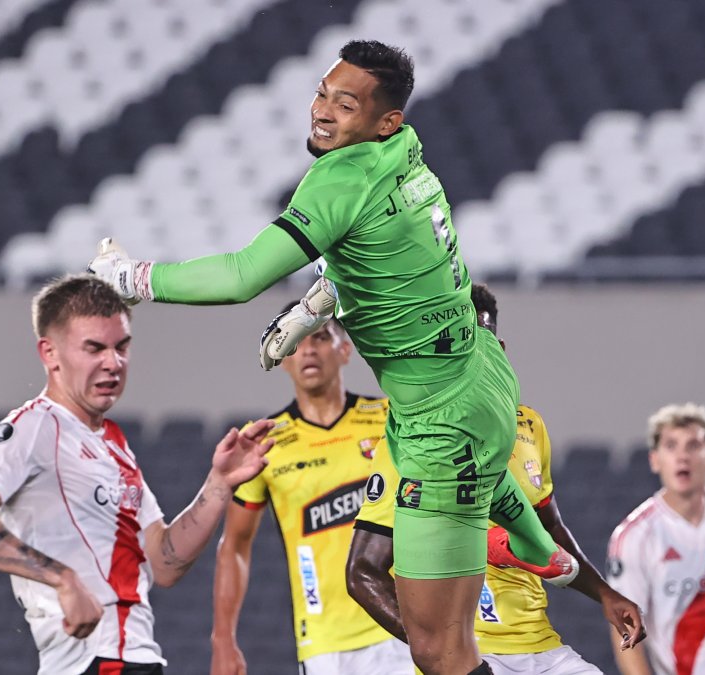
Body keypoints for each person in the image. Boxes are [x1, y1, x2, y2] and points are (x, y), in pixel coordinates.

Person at [89, 39, 576, 674]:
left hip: (440, 419)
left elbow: (241, 276)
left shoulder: (339, 179)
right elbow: (387, 257)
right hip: (482, 371)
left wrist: (131, 279)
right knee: (449, 446)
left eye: (344, 104)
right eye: (322, 92)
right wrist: (315, 307)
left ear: (383, 120)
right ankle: (536, 545)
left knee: (439, 651)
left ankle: (528, 544)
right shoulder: (406, 152)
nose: (321, 110)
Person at [0, 275, 275, 674]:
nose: (113, 362)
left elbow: (162, 563)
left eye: (121, 347)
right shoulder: (35, 426)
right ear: (50, 353)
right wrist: (63, 579)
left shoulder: (114, 443)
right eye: (94, 348)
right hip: (93, 663)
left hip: (133, 658)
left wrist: (217, 486)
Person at [347, 284, 645, 674]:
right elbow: (362, 572)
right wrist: (443, 653)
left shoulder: (529, 425)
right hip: (471, 657)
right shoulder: (412, 438)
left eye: (480, 340)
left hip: (542, 646)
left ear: (498, 351)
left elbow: (548, 527)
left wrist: (604, 594)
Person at [211, 307, 411, 674]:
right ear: (283, 358)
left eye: (320, 337)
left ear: (345, 350)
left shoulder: (388, 417)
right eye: (295, 342)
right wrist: (223, 639)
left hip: (401, 625)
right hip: (323, 641)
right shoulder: (263, 441)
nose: (308, 350)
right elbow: (235, 546)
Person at [607, 404, 705, 675]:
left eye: (693, 446)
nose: (682, 456)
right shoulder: (634, 536)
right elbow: (625, 631)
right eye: (671, 446)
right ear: (654, 460)